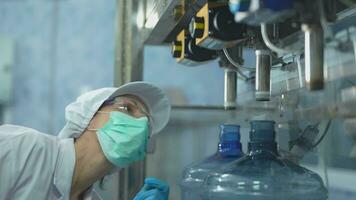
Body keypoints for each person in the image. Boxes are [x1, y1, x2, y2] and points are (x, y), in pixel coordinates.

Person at [0, 81, 171, 200]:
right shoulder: (22, 148)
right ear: (90, 115)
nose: (140, 125)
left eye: (147, 126)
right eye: (127, 108)